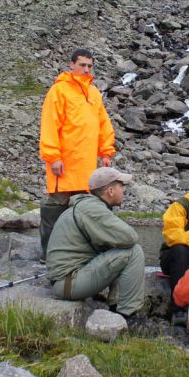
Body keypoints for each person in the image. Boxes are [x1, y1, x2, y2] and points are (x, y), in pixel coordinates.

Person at [38, 48, 116, 255]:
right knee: (55, 208)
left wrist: (106, 153)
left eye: (89, 66)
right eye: (82, 65)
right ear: (72, 65)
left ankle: (78, 253)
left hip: (87, 166)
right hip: (63, 164)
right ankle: (49, 254)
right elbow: (49, 125)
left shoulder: (94, 93)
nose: (86, 69)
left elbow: (103, 125)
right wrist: (53, 157)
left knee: (83, 211)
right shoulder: (59, 90)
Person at [46, 166, 145, 320]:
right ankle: (126, 315)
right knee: (134, 252)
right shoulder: (93, 210)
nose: (124, 190)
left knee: (120, 249)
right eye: (121, 186)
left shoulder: (86, 205)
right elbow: (131, 237)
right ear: (110, 191)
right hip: (68, 284)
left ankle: (116, 307)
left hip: (65, 281)